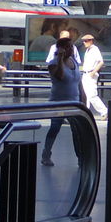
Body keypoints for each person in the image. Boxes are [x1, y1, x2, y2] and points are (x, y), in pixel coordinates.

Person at [42, 37, 84, 167]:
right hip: (58, 102)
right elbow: (59, 76)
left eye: (71, 47)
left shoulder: (74, 62)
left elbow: (79, 83)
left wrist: (83, 99)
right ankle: (46, 154)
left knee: (77, 131)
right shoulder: (53, 63)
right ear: (60, 48)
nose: (70, 49)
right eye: (67, 47)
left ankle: (81, 157)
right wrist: (60, 58)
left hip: (74, 102)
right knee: (55, 128)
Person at [80, 34, 109, 120]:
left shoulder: (95, 49)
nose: (84, 42)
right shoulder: (88, 50)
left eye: (86, 41)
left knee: (92, 95)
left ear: (91, 41)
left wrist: (93, 72)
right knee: (86, 95)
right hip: (85, 74)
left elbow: (101, 62)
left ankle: (104, 111)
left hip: (90, 74)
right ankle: (86, 112)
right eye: (84, 41)